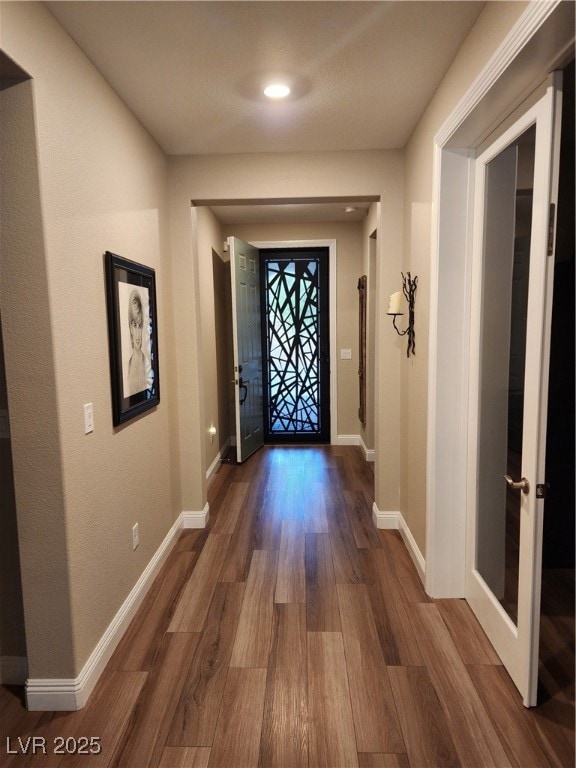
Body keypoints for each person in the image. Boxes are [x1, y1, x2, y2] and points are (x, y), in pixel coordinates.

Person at [126, 289, 148, 396]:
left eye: (140, 326)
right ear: (130, 327)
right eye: (135, 325)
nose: (138, 333)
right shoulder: (127, 367)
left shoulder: (147, 363)